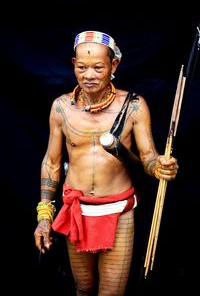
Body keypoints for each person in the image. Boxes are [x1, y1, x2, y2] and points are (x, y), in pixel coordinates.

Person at [34, 30, 179, 296]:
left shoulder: (134, 106)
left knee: (111, 292)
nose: (89, 75)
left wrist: (160, 166)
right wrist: (44, 216)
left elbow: (148, 159)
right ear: (73, 66)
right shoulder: (61, 108)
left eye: (98, 67)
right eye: (82, 67)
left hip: (118, 212)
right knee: (84, 287)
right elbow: (52, 162)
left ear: (114, 65)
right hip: (76, 211)